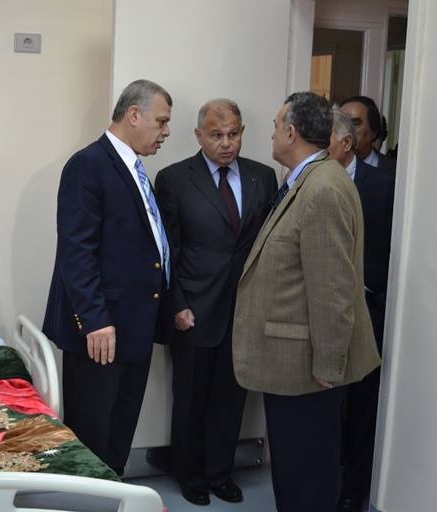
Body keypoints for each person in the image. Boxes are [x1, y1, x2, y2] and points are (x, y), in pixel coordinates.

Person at [232, 92, 381, 512]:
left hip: (310, 372)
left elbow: (333, 288)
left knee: (307, 480)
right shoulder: (307, 179)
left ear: (292, 132)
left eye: (276, 126)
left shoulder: (322, 189)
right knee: (294, 475)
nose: (272, 134)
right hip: (292, 365)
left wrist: (329, 364)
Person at [42, 79, 174, 477]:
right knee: (93, 436)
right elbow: (76, 251)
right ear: (134, 115)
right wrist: (95, 320)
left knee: (119, 432)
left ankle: (114, 495)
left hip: (134, 325)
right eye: (161, 121)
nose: (166, 131)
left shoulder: (134, 168)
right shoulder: (89, 165)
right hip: (101, 332)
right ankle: (89, 500)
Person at [154, 99, 277, 506]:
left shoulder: (262, 176)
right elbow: (168, 249)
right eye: (217, 135)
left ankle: (220, 474)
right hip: (194, 308)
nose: (227, 143)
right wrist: (176, 304)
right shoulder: (175, 179)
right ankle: (190, 475)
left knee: (231, 400)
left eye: (234, 134)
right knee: (191, 400)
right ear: (199, 135)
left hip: (244, 310)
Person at [328, 106, 395, 512]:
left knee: (361, 406)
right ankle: (325, 481)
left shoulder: (383, 187)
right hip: (325, 311)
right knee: (326, 404)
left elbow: (390, 250)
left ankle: (353, 489)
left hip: (369, 311)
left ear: (346, 143)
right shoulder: (308, 181)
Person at [340, 96, 396, 174]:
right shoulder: (327, 167)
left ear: (373, 131)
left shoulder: (394, 171)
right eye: (341, 124)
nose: (346, 129)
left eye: (355, 124)